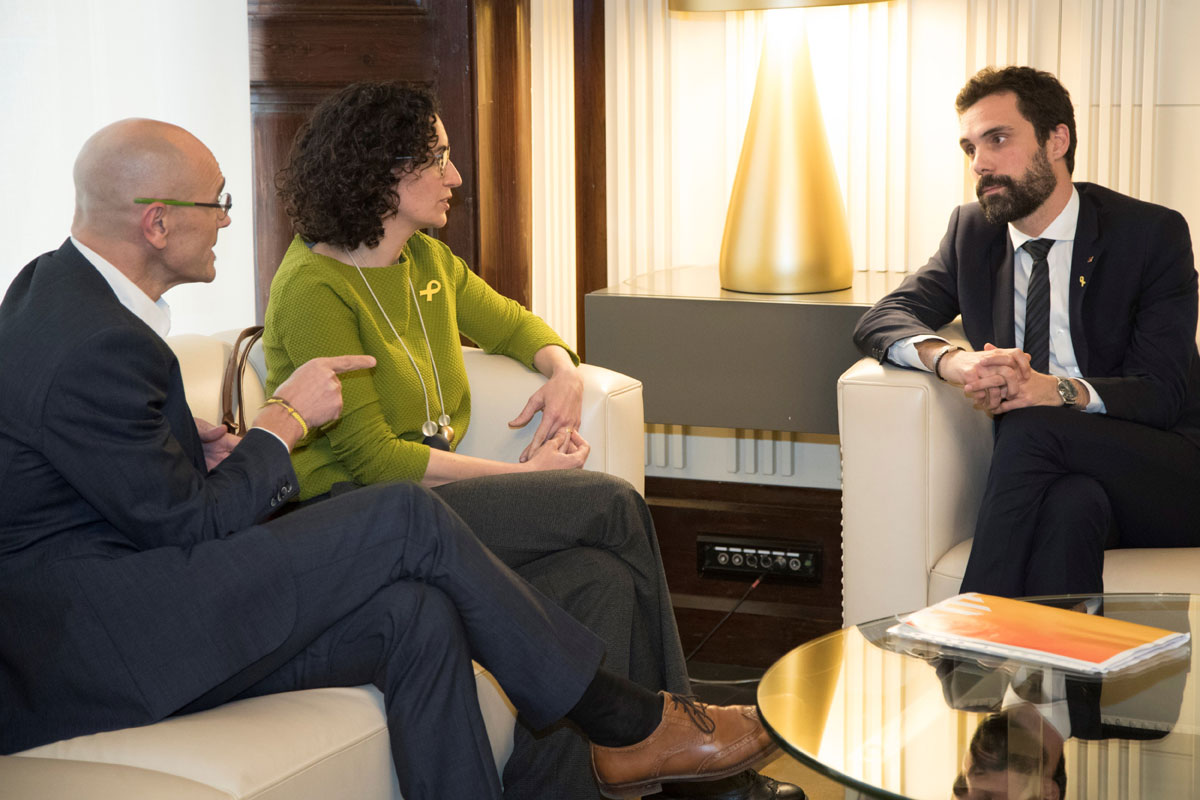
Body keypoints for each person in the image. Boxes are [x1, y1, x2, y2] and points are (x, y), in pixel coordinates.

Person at [0, 118, 782, 800]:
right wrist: (279, 424)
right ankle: (630, 722)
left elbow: (111, 483)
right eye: (218, 203)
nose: (230, 221)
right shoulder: (98, 338)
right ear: (158, 223)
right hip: (98, 648)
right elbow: (184, 529)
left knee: (418, 614)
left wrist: (186, 447)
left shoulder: (57, 291)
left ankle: (633, 735)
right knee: (404, 515)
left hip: (125, 601)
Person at [262, 82, 802, 800]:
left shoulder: (425, 262)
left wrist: (562, 370)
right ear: (385, 174)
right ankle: (687, 757)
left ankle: (574, 783)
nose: (457, 178)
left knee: (598, 580)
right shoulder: (312, 288)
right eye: (440, 160)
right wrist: (522, 478)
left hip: (432, 509)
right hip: (367, 521)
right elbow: (377, 461)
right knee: (609, 507)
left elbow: (518, 326)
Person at [853, 65, 1200, 598]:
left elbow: (1164, 393)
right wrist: (954, 361)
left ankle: (964, 640)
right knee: (1071, 507)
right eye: (970, 147)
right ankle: (1061, 682)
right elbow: (884, 316)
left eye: (997, 139)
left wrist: (1054, 390)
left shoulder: (1149, 235)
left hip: (1167, 467)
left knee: (1031, 423)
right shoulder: (973, 234)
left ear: (1056, 140)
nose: (980, 163)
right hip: (1061, 477)